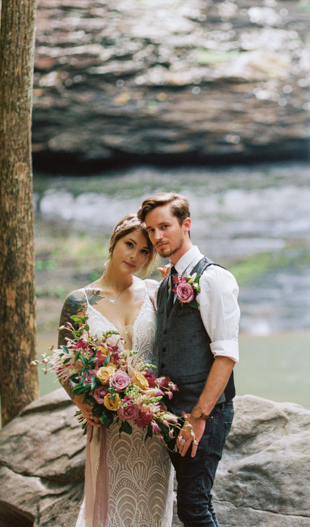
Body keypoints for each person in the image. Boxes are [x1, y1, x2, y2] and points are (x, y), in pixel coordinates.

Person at [57, 214, 175, 527]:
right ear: (114, 243)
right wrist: (82, 402)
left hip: (153, 426)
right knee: (108, 512)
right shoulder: (79, 301)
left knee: (152, 511)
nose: (135, 256)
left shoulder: (155, 292)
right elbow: (62, 361)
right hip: (108, 424)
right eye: (129, 245)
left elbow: (180, 347)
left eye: (145, 251)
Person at [137, 192, 239, 527]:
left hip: (203, 414)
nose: (157, 237)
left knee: (194, 505)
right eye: (151, 230)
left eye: (164, 227)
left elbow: (225, 356)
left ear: (187, 225)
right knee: (190, 504)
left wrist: (198, 415)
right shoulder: (167, 281)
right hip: (173, 414)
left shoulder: (213, 278)